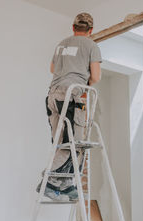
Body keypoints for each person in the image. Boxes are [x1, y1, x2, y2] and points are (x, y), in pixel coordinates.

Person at [40, 13, 102, 200]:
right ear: (90, 30)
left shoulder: (62, 44)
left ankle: (65, 184)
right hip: (71, 95)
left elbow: (53, 69)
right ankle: (49, 182)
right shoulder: (91, 45)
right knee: (73, 142)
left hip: (53, 95)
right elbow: (96, 77)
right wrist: (83, 84)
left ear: (73, 28)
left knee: (61, 141)